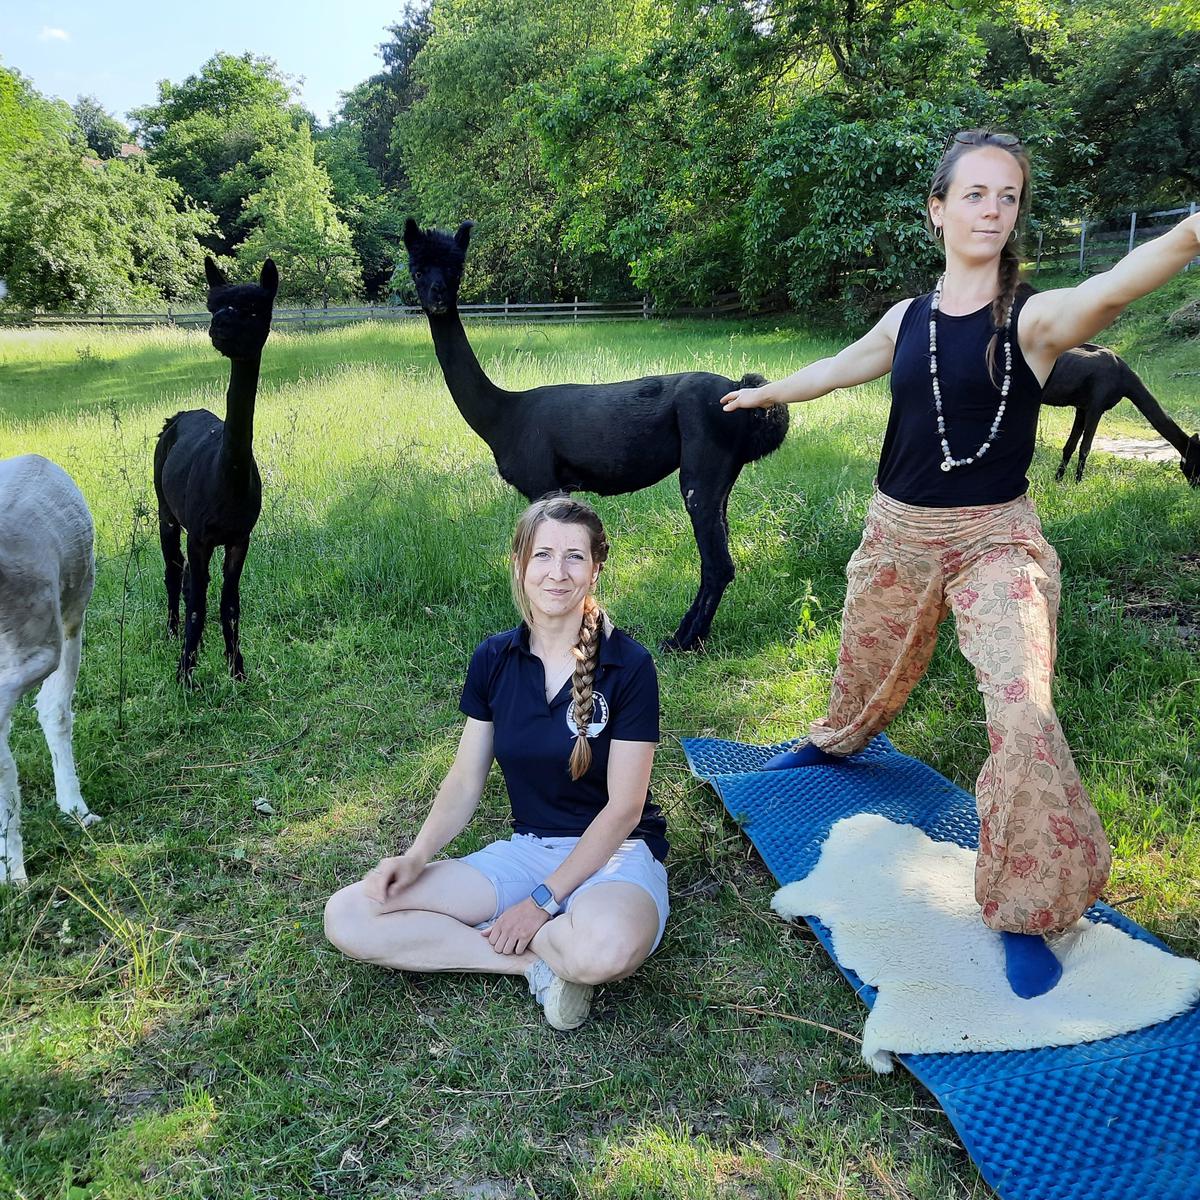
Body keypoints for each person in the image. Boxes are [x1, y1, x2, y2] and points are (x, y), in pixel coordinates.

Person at [721, 129, 1200, 999]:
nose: (991, 209)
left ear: (1017, 213)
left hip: (997, 539)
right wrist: (768, 392)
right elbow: (841, 367)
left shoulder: (1033, 318)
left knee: (1023, 712)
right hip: (898, 528)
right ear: (937, 209)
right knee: (865, 665)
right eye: (974, 193)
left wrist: (1192, 234)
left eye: (1007, 196)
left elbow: (1109, 290)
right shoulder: (907, 318)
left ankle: (1029, 908)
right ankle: (834, 743)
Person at [324, 495, 668, 1030]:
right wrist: (416, 856)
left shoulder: (630, 665)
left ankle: (543, 933)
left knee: (606, 950)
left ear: (596, 570)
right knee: (350, 913)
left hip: (616, 857)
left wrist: (540, 903)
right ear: (519, 564)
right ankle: (533, 965)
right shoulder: (493, 659)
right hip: (529, 852)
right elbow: (464, 780)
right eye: (543, 555)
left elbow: (625, 808)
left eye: (575, 557)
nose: (558, 573)